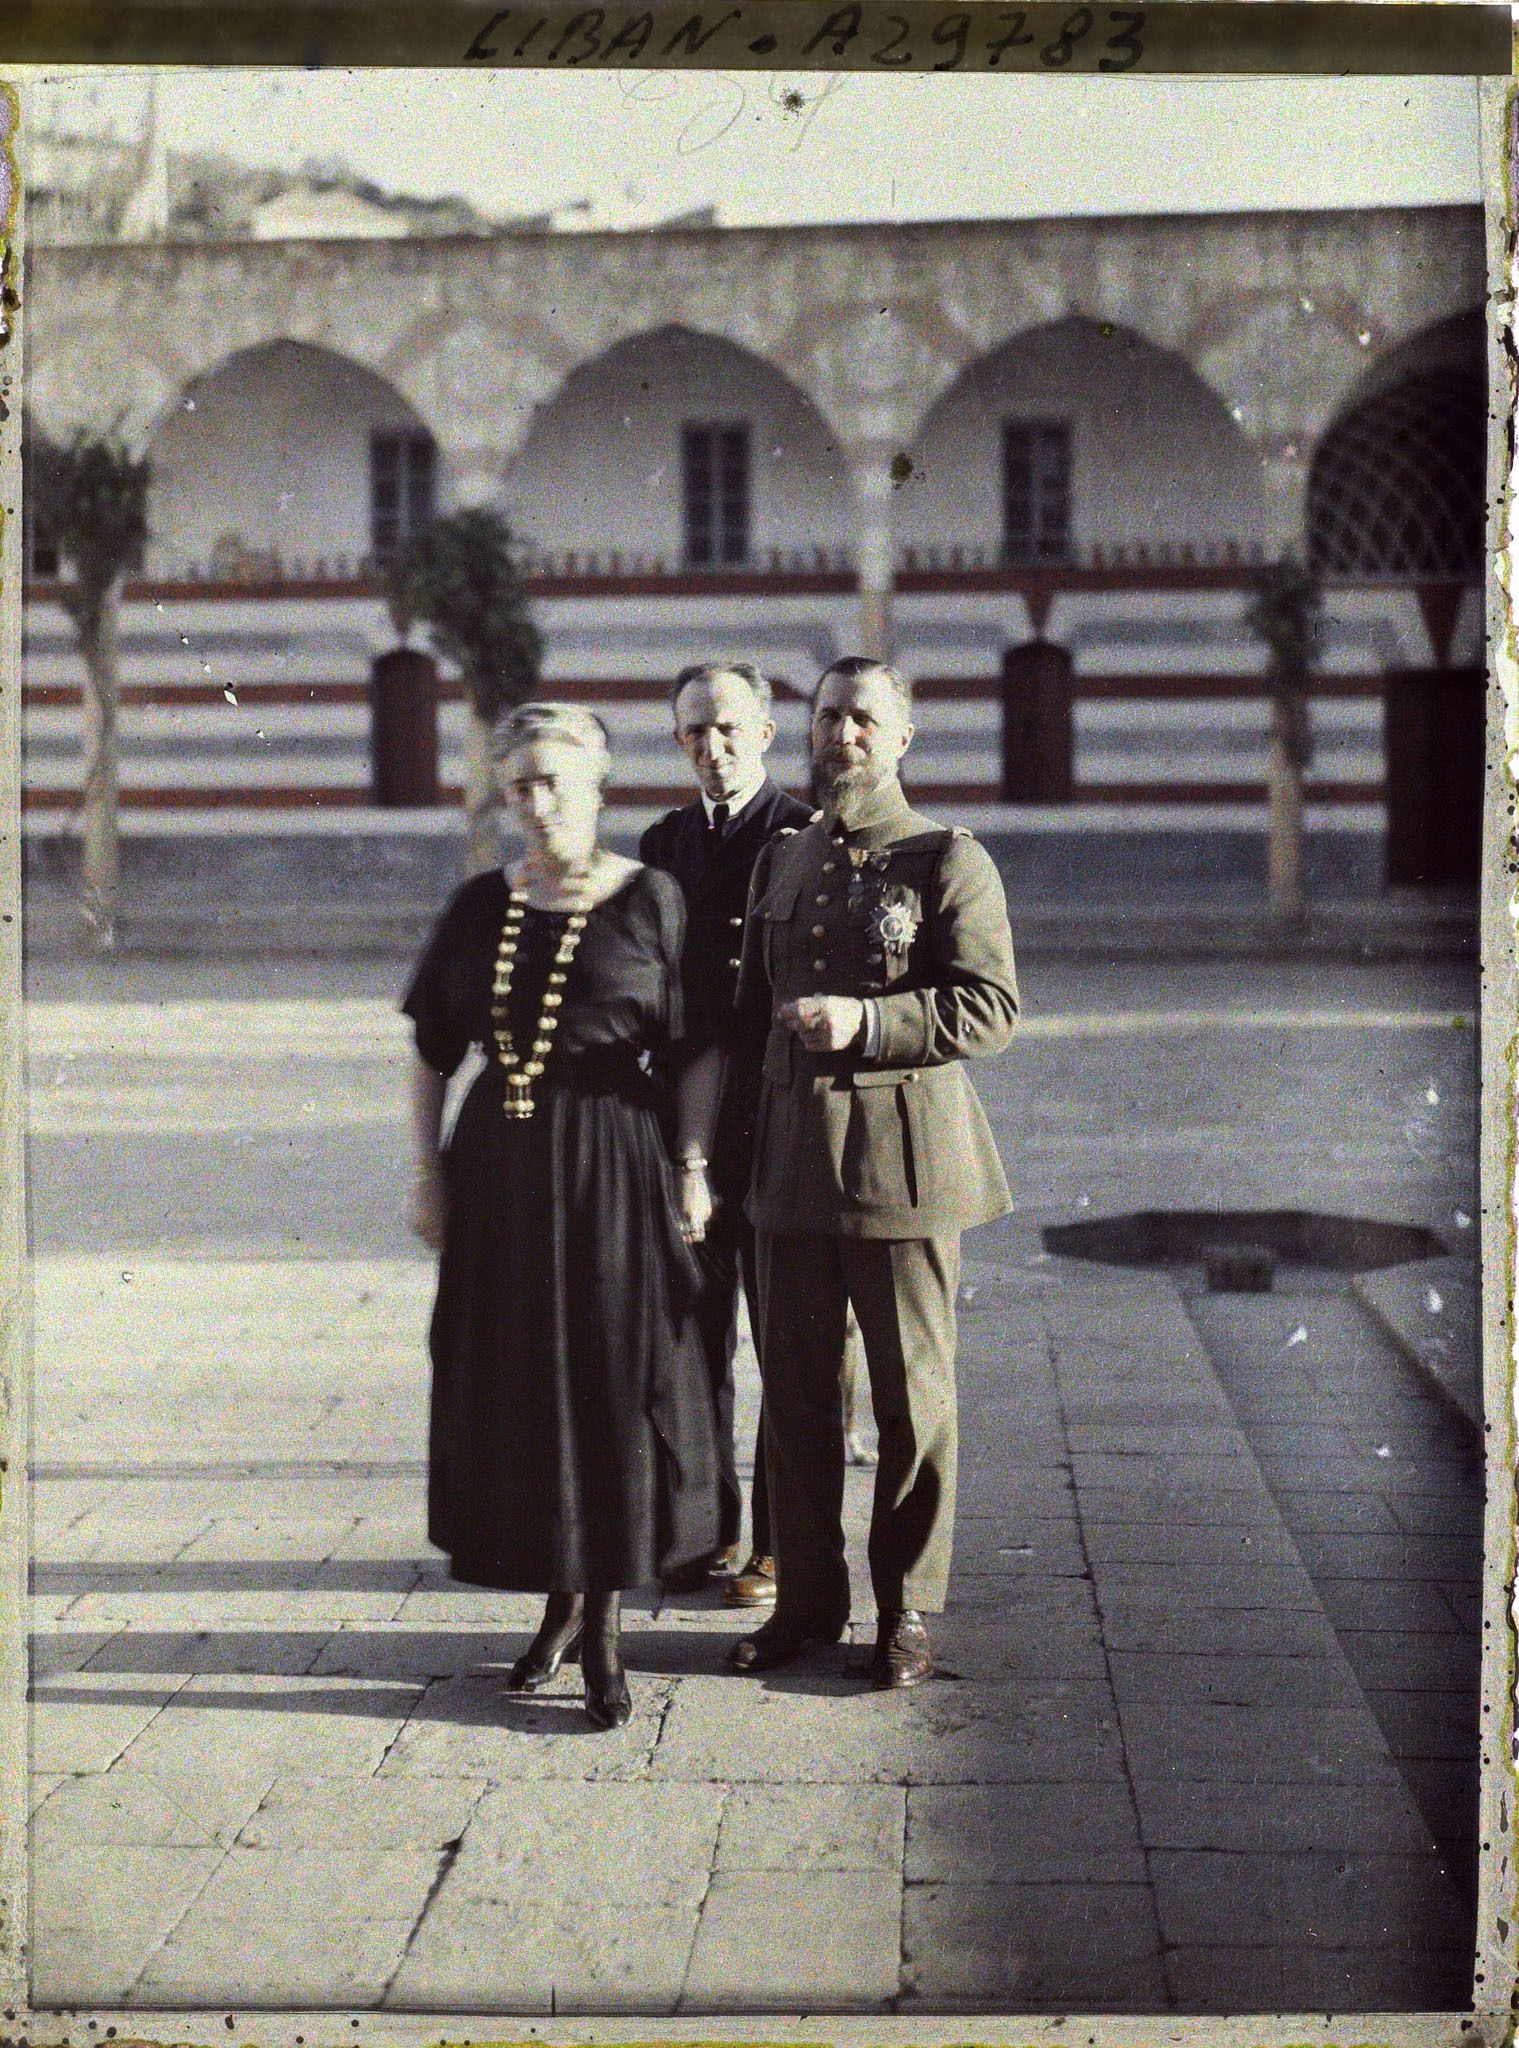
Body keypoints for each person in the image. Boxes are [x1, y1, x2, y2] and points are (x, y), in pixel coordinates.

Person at [403, 701, 720, 1730]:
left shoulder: (651, 899)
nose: (538, 804)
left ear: (598, 786)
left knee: (611, 1380)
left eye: (556, 782)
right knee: (523, 1383)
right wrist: (426, 1174)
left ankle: (606, 1626)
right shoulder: (477, 905)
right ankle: (557, 1602)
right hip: (499, 1170)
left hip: (616, 1162)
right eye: (520, 786)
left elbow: (696, 1046)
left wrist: (692, 1166)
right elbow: (431, 1051)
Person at [725, 656, 1019, 1689]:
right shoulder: (782, 858)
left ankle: (905, 1610)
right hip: (791, 1165)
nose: (840, 735)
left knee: (911, 1400)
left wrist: (868, 1020)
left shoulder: (946, 859)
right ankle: (807, 1602)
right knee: (797, 1396)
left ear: (901, 737)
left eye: (862, 718)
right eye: (825, 717)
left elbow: (989, 1007)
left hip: (902, 1168)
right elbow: (748, 1020)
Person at [639, 662, 812, 1607]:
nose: (713, 747)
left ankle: (777, 1548)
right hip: (688, 1125)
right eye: (695, 732)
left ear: (766, 734)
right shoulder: (663, 842)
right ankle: (702, 1528)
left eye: (730, 728)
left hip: (778, 1116)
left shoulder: (804, 833)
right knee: (692, 1337)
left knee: (784, 1339)